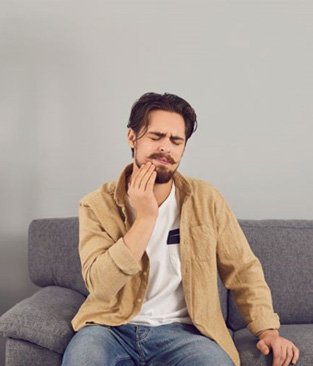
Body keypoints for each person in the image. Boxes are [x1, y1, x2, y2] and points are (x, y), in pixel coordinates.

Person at [62, 92, 299, 366]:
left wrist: (268, 330)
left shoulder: (206, 199)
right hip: (109, 328)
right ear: (132, 138)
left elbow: (243, 269)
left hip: (185, 333)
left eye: (176, 141)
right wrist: (145, 219)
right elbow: (100, 285)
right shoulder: (96, 205)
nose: (166, 148)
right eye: (156, 136)